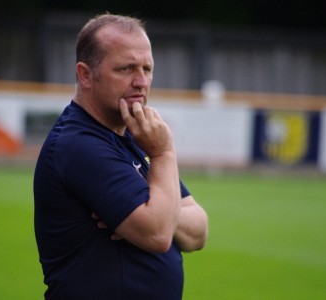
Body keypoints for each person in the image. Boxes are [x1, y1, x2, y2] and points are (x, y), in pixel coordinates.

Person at [33, 13, 208, 300]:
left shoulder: (135, 137)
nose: (141, 81)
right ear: (85, 74)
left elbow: (198, 232)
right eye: (126, 69)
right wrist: (163, 153)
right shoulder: (78, 144)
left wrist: (161, 209)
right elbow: (159, 235)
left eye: (147, 68)